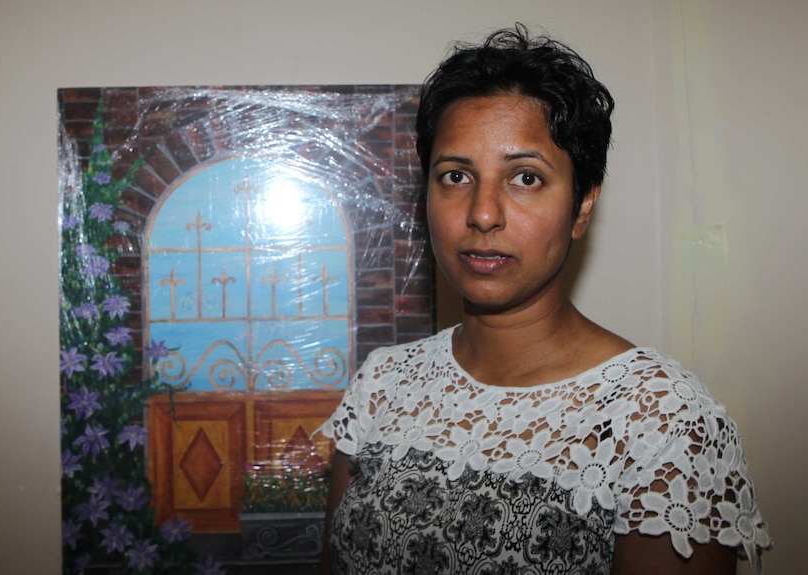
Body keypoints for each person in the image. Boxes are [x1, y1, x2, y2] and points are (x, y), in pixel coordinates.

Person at [318, 24, 771, 574]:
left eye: (526, 178)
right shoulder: (382, 385)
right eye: (456, 175)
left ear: (582, 206)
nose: (483, 213)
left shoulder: (657, 420)